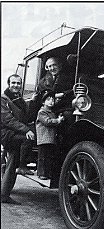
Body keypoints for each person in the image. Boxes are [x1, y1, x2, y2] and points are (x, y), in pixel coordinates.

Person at [1, 74, 35, 204]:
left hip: (14, 132)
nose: (16, 85)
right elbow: (7, 120)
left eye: (18, 83)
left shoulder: (19, 99)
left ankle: (4, 194)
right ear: (8, 84)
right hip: (6, 133)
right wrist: (26, 130)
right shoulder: (3, 98)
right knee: (26, 142)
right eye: (13, 83)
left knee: (12, 160)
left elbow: (25, 117)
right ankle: (22, 166)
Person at [36, 90, 64, 180]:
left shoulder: (52, 112)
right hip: (44, 138)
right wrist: (58, 120)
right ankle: (41, 174)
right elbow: (47, 122)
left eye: (53, 99)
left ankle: (47, 173)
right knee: (42, 157)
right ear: (43, 102)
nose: (51, 101)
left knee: (48, 157)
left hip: (50, 138)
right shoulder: (42, 112)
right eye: (48, 99)